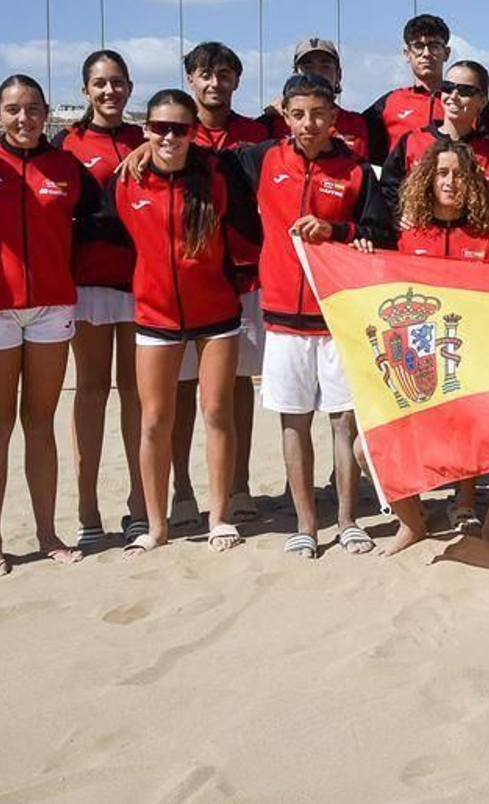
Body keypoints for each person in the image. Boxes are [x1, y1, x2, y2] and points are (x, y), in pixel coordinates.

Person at [225, 73, 391, 559]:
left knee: (343, 422)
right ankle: (305, 523)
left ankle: (345, 520)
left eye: (318, 114)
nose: (308, 124)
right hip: (280, 314)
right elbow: (201, 160)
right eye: (297, 114)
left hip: (336, 315)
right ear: (284, 116)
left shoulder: (357, 170)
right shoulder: (261, 158)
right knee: (293, 422)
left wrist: (337, 228)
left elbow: (378, 231)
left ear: (333, 116)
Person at [95, 89, 254, 555]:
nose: (169, 137)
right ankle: (156, 525)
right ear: (145, 130)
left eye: (179, 129)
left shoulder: (218, 176)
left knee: (216, 413)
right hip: (154, 315)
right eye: (159, 128)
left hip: (216, 313)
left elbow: (251, 227)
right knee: (153, 422)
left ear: (193, 133)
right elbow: (96, 227)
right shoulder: (127, 181)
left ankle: (219, 517)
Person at [0, 75, 99, 577]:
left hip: (51, 310)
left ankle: (47, 533)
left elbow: (100, 217)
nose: (24, 118)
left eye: (33, 109)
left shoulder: (66, 166)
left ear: (46, 113)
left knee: (40, 423)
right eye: (13, 109)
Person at [379, 138, 489, 555]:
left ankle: (466, 501)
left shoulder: (487, 235)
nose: (451, 181)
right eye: (443, 173)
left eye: (460, 174)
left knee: (468, 430)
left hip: (472, 349)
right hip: (417, 354)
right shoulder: (408, 234)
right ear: (428, 178)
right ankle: (413, 519)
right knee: (384, 443)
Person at [51, 50, 146, 549]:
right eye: (99, 83)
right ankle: (87, 509)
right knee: (90, 392)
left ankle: (138, 503)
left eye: (118, 82)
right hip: (87, 283)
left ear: (129, 87)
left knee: (136, 393)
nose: (110, 91)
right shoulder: (66, 145)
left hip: (138, 284)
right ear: (85, 89)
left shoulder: (147, 138)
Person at [180, 42, 268, 527]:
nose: (215, 83)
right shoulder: (172, 131)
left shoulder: (256, 135)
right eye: (206, 74)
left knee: (237, 384)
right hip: (187, 277)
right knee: (182, 387)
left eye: (225, 74)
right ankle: (182, 490)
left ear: (237, 79)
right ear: (192, 78)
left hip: (245, 271)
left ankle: (238, 485)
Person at [362, 14, 489, 164]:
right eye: (418, 46)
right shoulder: (390, 103)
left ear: (446, 53)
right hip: (405, 192)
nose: (426, 53)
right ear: (406, 53)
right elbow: (349, 135)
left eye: (434, 46)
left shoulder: (464, 101)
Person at [379, 60, 489, 218]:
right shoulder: (412, 141)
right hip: (420, 239)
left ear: (482, 101)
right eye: (447, 87)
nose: (453, 96)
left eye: (465, 91)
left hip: (474, 241)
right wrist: (396, 218)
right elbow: (386, 192)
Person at [263, 36, 370, 160]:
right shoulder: (274, 122)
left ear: (338, 74)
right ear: (295, 74)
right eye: (307, 67)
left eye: (325, 66)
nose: (316, 73)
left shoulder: (358, 123)